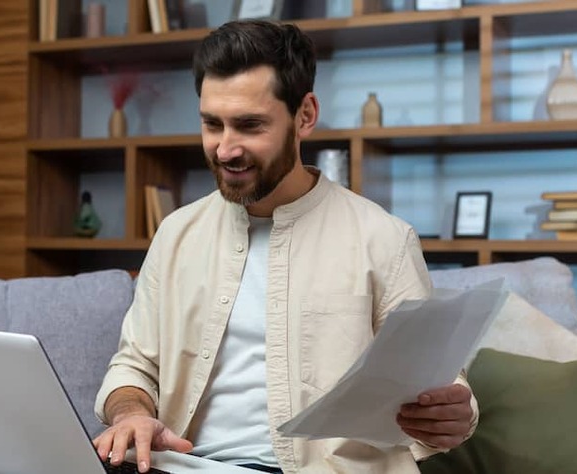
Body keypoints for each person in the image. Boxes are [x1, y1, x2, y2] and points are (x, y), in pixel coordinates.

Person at [92, 19, 478, 474]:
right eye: (212, 125)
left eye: (250, 125)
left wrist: (455, 413)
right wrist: (131, 413)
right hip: (181, 466)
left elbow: (435, 380)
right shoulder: (176, 233)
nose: (225, 149)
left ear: (305, 116)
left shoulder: (384, 239)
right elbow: (134, 364)